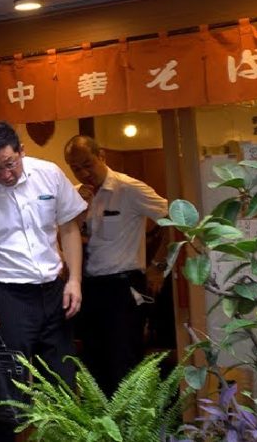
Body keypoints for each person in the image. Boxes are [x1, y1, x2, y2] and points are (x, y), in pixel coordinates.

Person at [0, 122, 86, 441]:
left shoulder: (48, 173)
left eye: (10, 164)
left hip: (55, 291)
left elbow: (68, 228)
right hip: (9, 298)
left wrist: (75, 280)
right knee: (10, 390)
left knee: (63, 378)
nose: (6, 174)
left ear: (21, 150)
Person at [65, 135, 168, 392]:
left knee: (124, 362)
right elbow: (65, 236)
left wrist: (159, 265)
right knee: (92, 363)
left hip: (123, 286)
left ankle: (131, 428)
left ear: (102, 157)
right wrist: (81, 210)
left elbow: (176, 220)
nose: (84, 172)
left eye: (88, 164)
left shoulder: (129, 188)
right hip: (87, 287)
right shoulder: (76, 195)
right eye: (76, 168)